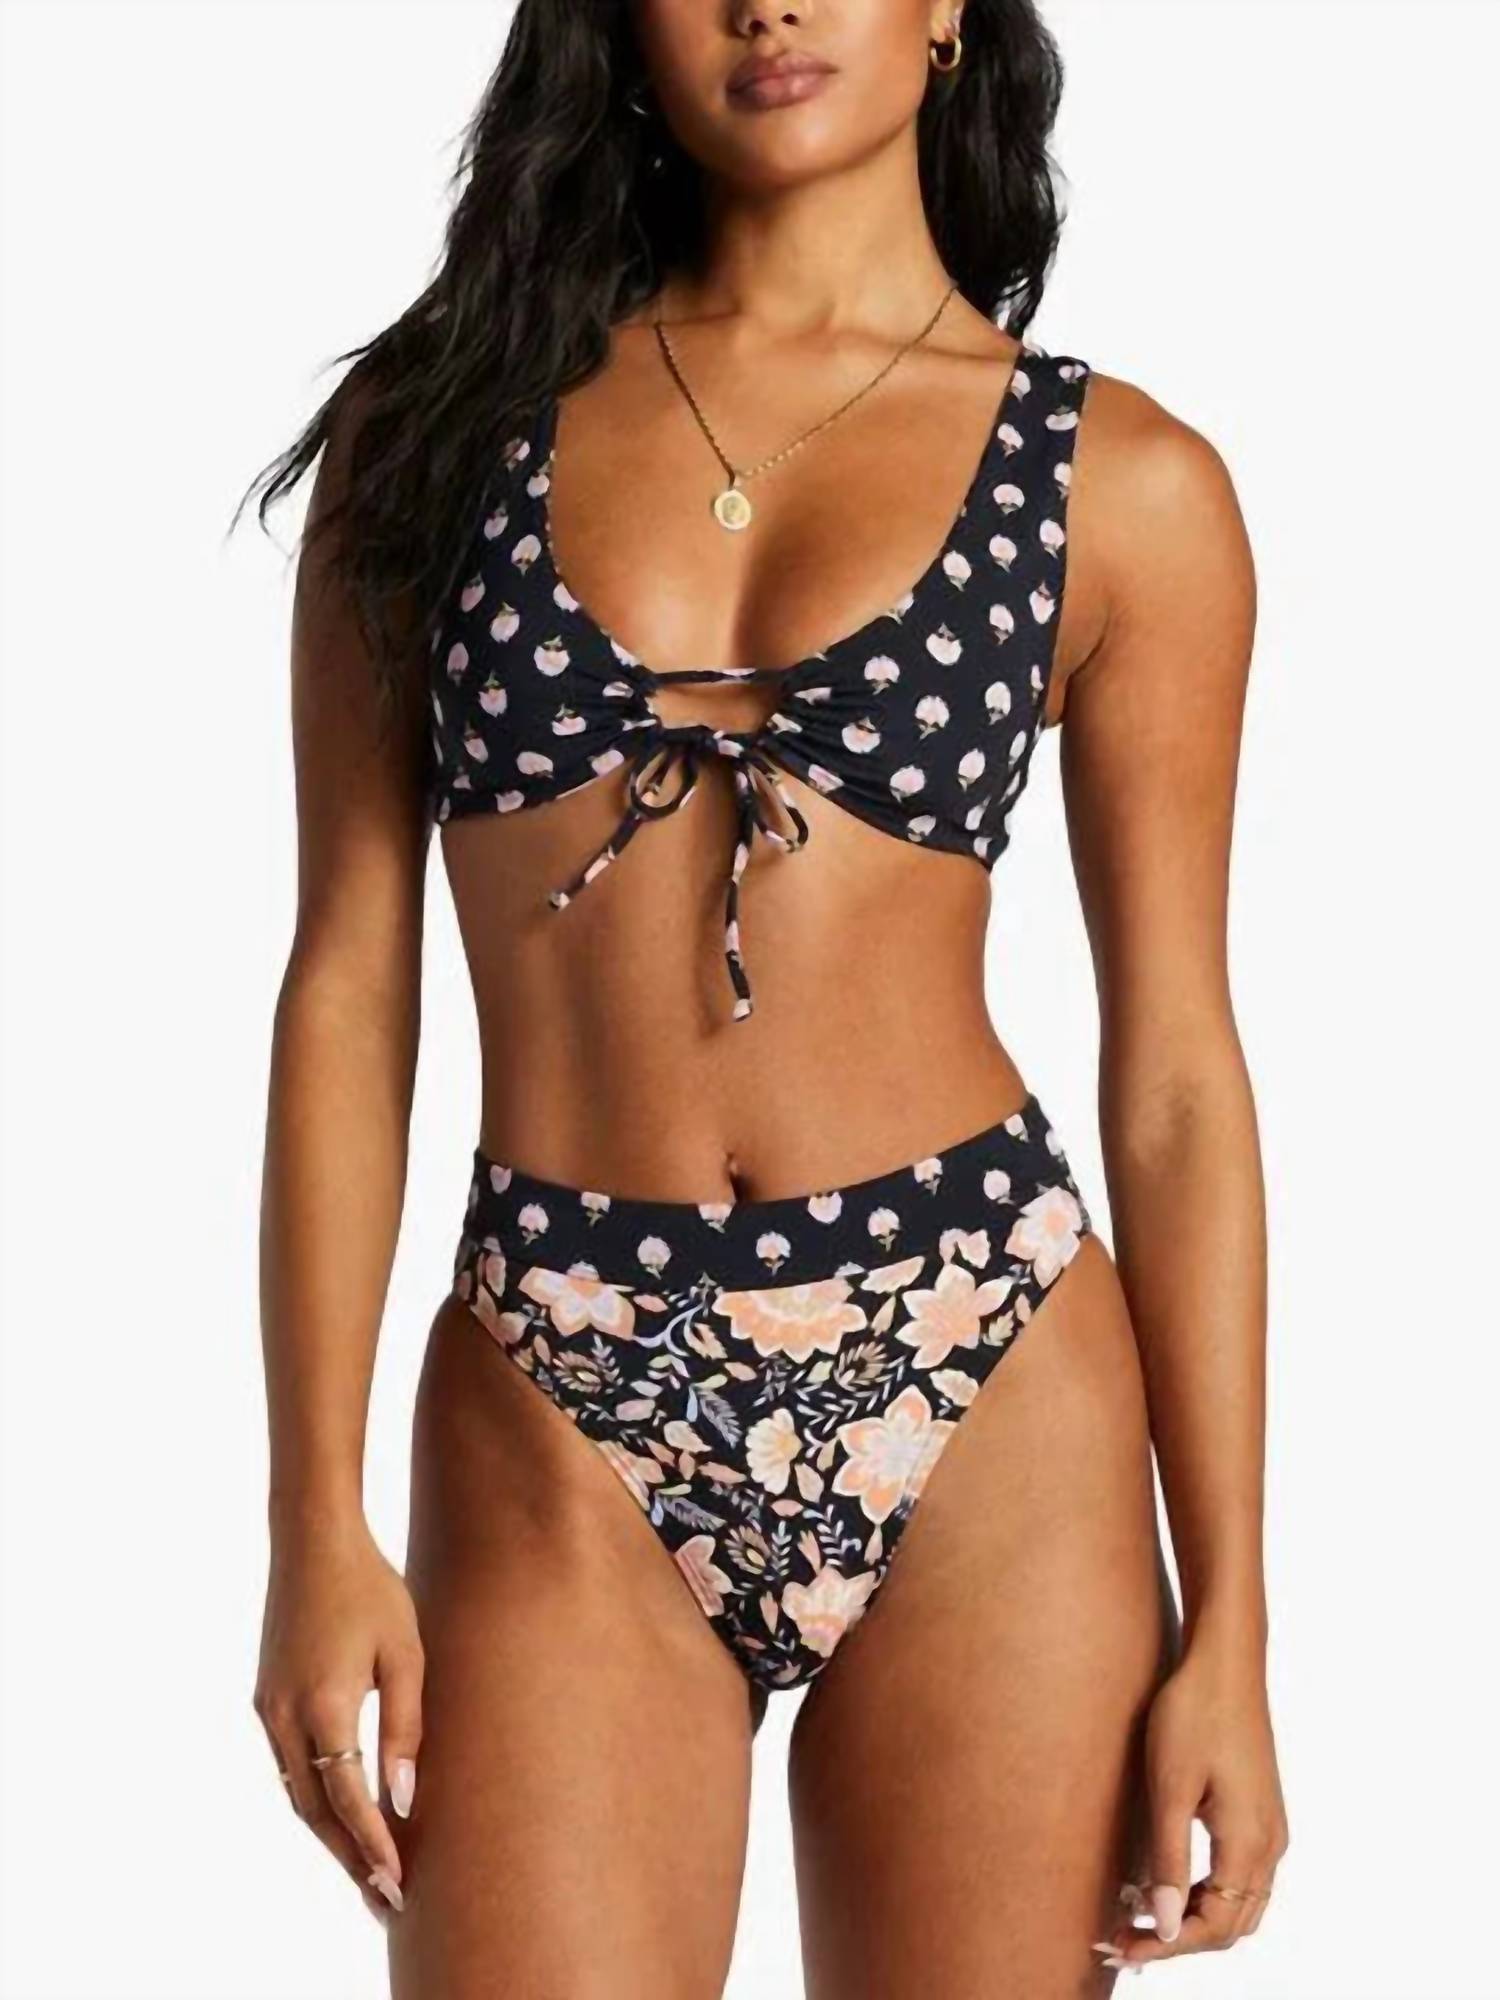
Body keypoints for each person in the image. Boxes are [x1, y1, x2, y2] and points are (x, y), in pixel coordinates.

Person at [244, 0, 1288, 1990]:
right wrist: (313, 1518)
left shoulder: (1123, 482)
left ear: (947, 11)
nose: (768, 3)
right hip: (559, 1373)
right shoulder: (442, 422)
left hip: (983, 1363)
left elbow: (1175, 1068)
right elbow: (347, 985)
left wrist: (1230, 1617)